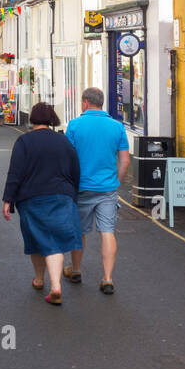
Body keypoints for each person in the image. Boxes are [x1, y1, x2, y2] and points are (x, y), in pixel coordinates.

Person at [2, 103, 81, 305]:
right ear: (52, 119)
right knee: (55, 240)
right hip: (62, 196)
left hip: (31, 198)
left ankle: (45, 281)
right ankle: (48, 282)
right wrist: (73, 195)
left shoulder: (24, 141)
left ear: (33, 119)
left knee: (37, 239)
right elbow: (75, 171)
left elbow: (15, 172)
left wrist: (8, 199)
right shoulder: (64, 142)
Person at [64, 87, 130, 295]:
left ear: (85, 102)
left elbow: (67, 159)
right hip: (107, 189)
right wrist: (116, 182)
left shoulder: (74, 126)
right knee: (107, 231)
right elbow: (125, 161)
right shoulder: (117, 127)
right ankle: (108, 278)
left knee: (79, 231)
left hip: (81, 187)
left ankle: (75, 270)